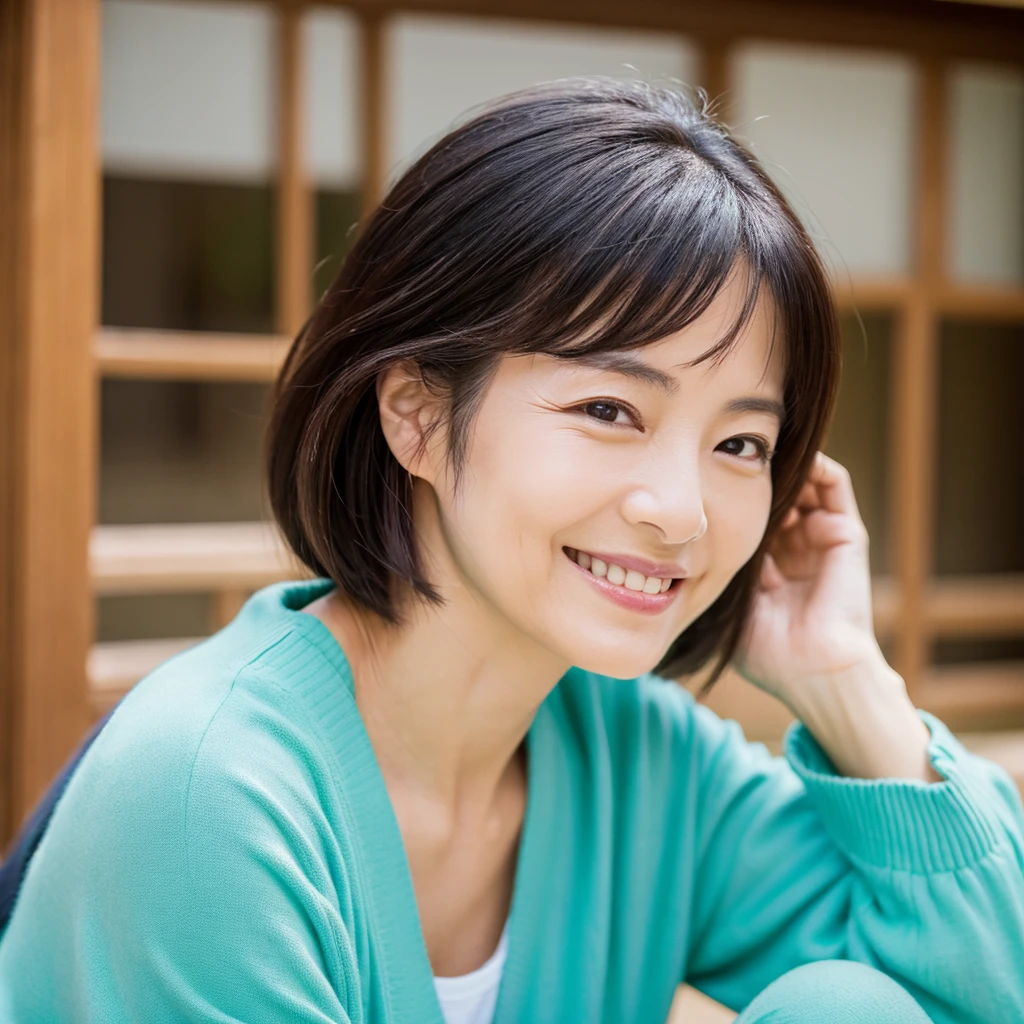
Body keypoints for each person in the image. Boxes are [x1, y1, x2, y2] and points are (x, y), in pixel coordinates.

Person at [1, 78, 1022, 1024]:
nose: (680, 511)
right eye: (609, 407)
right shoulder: (209, 799)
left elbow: (976, 993)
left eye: (739, 443)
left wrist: (847, 681)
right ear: (415, 414)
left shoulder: (641, 765)